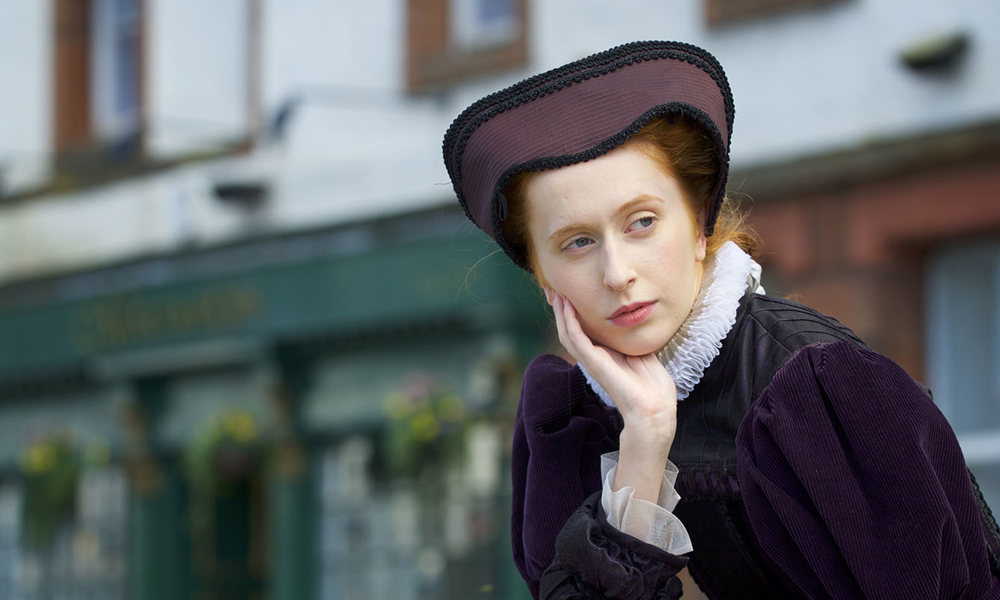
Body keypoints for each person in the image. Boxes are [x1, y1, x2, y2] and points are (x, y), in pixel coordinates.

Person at [442, 41, 1000, 599]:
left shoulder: (816, 387)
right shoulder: (571, 419)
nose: (617, 273)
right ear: (543, 278)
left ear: (699, 226)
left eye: (641, 222)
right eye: (578, 242)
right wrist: (644, 446)